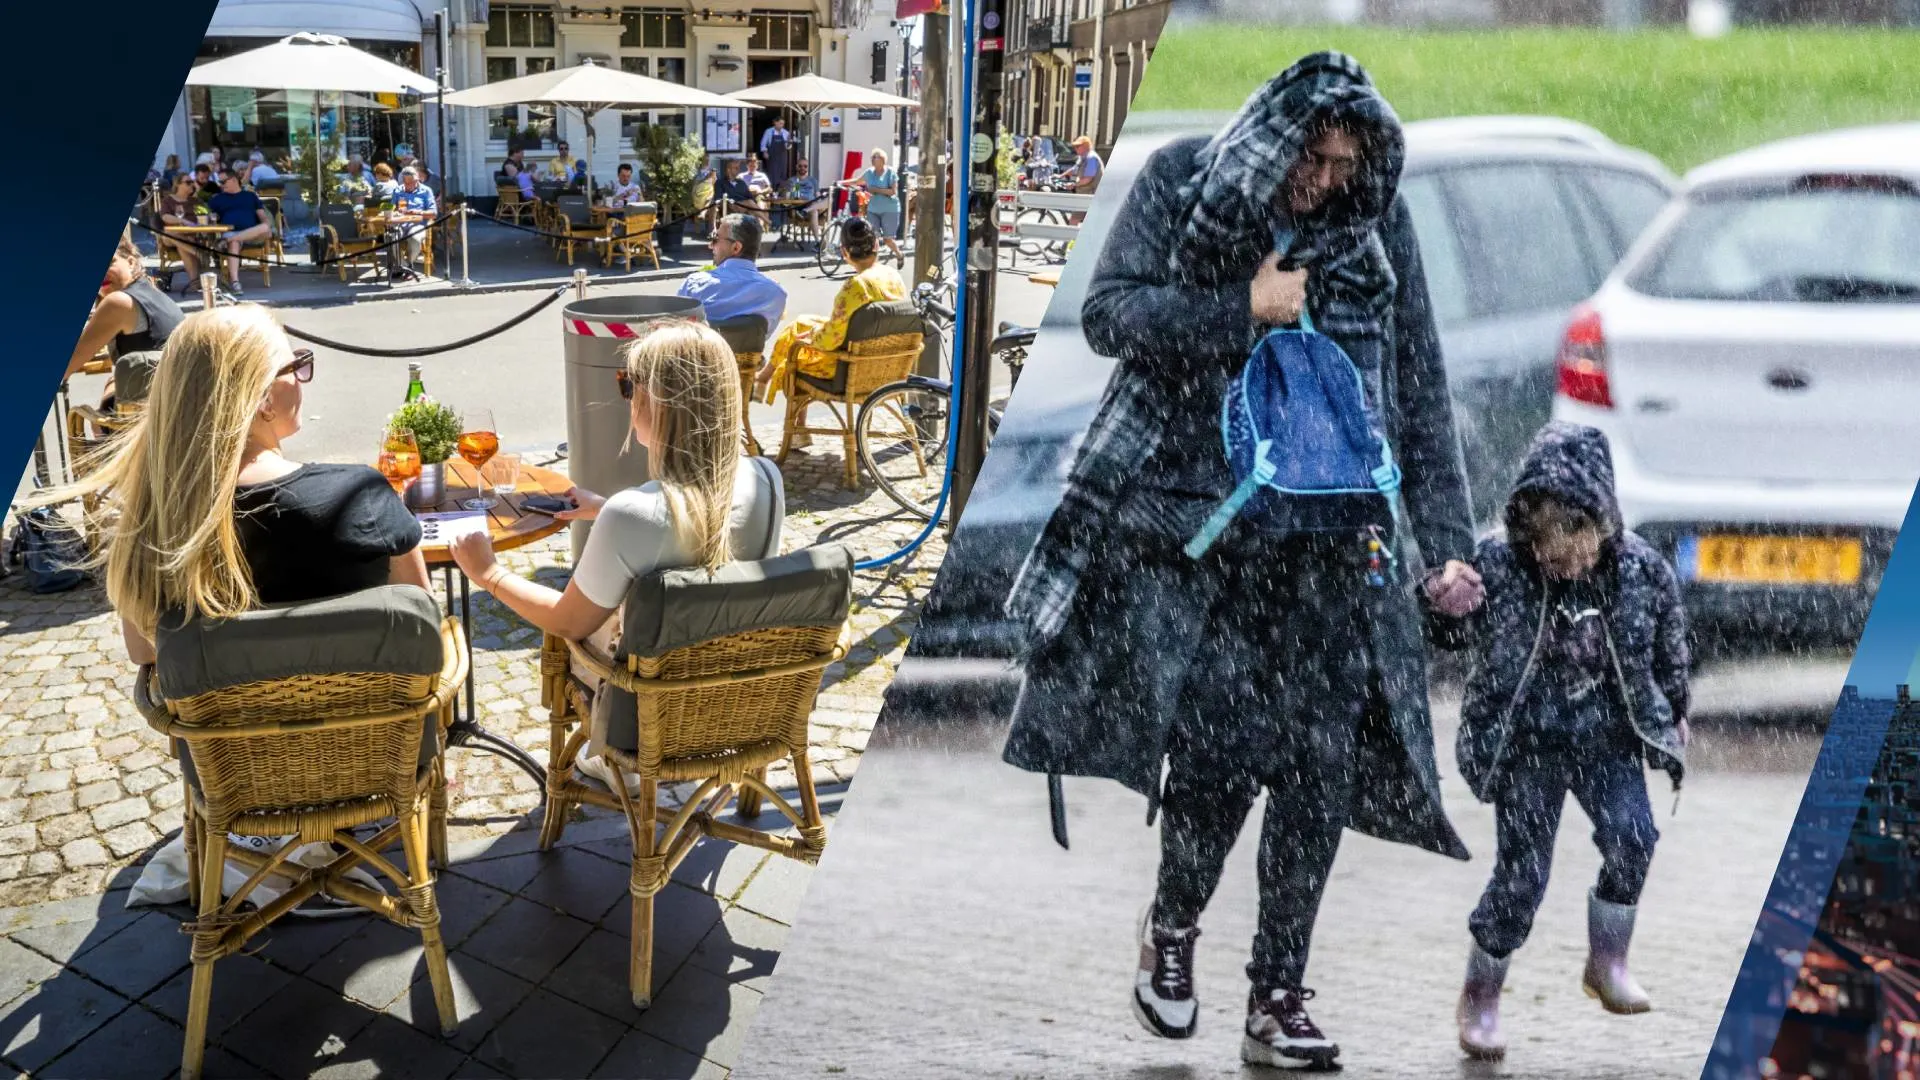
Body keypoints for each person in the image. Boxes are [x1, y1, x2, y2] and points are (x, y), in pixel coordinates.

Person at [1000, 53, 1485, 1071]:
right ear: (1274, 138)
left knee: (1320, 768)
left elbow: (1418, 390)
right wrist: (1241, 311)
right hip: (1208, 540)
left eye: (1345, 161)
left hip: (1338, 543)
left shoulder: (1374, 226)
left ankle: (1278, 992)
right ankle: (1173, 929)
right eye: (1311, 156)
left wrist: (1445, 545)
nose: (1323, 178)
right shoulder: (1183, 182)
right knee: (1220, 757)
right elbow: (1110, 314)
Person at [1428, 422, 1688, 1062]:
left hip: (1606, 739)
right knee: (1522, 875)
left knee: (1634, 837)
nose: (1560, 557)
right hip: (1527, 747)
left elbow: (1670, 640)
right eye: (1543, 542)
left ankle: (1608, 959)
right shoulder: (1498, 564)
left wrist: (1676, 706)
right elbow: (1448, 633)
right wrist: (1439, 602)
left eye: (1574, 539)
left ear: (1602, 524)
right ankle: (1481, 995)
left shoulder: (1640, 571)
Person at [37, 304, 430, 668]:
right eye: (295, 366)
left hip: (224, 742)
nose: (301, 379)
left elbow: (144, 654)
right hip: (374, 733)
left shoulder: (153, 515)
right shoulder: (360, 497)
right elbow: (424, 629)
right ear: (262, 399)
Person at [448, 321, 782, 671]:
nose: (628, 399)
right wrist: (608, 511)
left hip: (644, 699)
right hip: (737, 683)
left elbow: (568, 621)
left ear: (659, 402)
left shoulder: (632, 516)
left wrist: (488, 573)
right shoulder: (767, 478)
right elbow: (693, 531)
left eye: (629, 385)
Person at [755, 217, 906, 400]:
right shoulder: (893, 276)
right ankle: (763, 378)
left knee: (795, 355)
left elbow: (831, 339)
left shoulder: (855, 287)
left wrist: (812, 337)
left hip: (851, 367)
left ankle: (792, 418)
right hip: (888, 363)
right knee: (799, 324)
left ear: (844, 252)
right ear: (876, 244)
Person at [64, 228, 187, 410]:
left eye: (110, 262)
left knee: (88, 414)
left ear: (130, 262)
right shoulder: (150, 290)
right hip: (178, 402)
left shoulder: (119, 302)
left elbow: (69, 363)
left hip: (152, 413)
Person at [677, 214, 787, 334]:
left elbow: (677, 329)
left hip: (702, 351)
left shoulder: (695, 283)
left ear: (736, 248)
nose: (710, 245)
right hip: (748, 351)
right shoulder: (776, 294)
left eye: (715, 239)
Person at [206, 171, 275, 296]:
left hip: (251, 233)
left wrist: (267, 224)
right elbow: (208, 217)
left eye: (223, 181)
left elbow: (263, 217)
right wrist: (212, 217)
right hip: (230, 232)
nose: (220, 185)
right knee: (235, 243)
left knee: (265, 227)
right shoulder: (217, 199)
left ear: (233, 179)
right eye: (219, 182)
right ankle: (235, 282)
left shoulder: (250, 196)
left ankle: (227, 241)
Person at [156, 174, 205, 290]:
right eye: (188, 182)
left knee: (183, 247)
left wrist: (198, 194)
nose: (191, 184)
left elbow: (206, 213)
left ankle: (194, 282)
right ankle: (196, 252)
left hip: (190, 236)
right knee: (170, 234)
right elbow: (165, 217)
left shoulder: (195, 201)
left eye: (192, 182)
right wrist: (182, 221)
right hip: (171, 237)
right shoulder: (169, 200)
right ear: (178, 184)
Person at [389, 166, 438, 281]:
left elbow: (434, 213)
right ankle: (406, 267)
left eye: (411, 182)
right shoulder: (398, 190)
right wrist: (394, 212)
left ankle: (406, 267)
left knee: (415, 238)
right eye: (406, 183)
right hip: (400, 224)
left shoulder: (426, 191)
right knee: (389, 237)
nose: (408, 186)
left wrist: (418, 212)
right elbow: (391, 208)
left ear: (417, 180)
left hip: (418, 224)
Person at [858, 149, 905, 266]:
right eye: (872, 157)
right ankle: (873, 263)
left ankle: (899, 254)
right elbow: (857, 181)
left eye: (876, 157)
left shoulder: (890, 173)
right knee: (873, 236)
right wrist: (841, 182)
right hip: (873, 209)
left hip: (890, 209)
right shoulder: (869, 172)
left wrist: (875, 190)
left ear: (883, 160)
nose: (873, 159)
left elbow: (893, 192)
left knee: (887, 239)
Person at [760, 115, 794, 188]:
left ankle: (781, 191)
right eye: (780, 123)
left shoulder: (786, 133)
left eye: (783, 124)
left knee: (783, 174)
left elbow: (788, 147)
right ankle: (771, 190)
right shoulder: (768, 131)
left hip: (782, 157)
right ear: (775, 122)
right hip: (772, 157)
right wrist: (764, 152)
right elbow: (763, 143)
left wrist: (789, 143)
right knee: (772, 174)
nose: (782, 125)